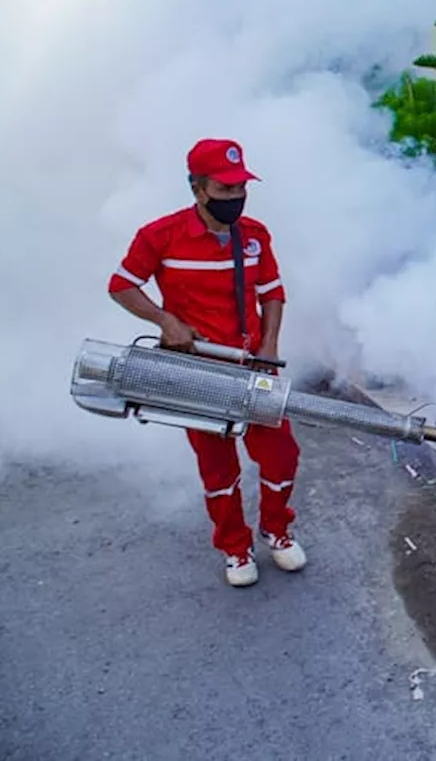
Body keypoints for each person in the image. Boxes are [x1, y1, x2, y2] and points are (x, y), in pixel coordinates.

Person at [107, 138, 305, 587]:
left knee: (281, 455)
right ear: (198, 190)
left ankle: (277, 530)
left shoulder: (255, 234)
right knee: (218, 468)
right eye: (225, 188)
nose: (236, 197)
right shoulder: (160, 235)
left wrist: (269, 346)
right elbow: (121, 285)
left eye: (241, 188)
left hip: (254, 368)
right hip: (196, 371)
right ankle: (235, 550)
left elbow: (271, 292)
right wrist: (165, 320)